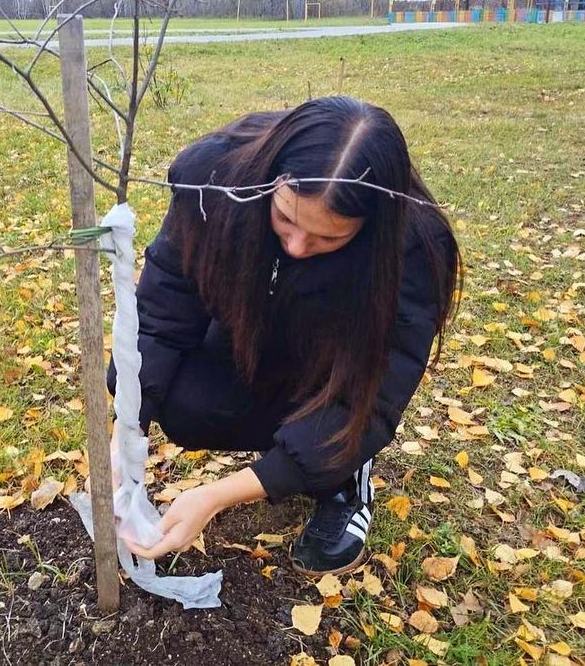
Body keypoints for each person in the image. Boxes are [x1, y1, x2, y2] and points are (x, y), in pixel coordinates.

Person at [107, 96, 461, 576]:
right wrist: (124, 435)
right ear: (271, 182)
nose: (296, 246)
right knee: (184, 401)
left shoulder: (413, 249)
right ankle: (300, 452)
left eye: (328, 239)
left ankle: (339, 480)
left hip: (332, 373)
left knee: (341, 431)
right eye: (286, 220)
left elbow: (370, 396)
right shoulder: (217, 184)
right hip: (256, 343)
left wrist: (218, 496)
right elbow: (162, 312)